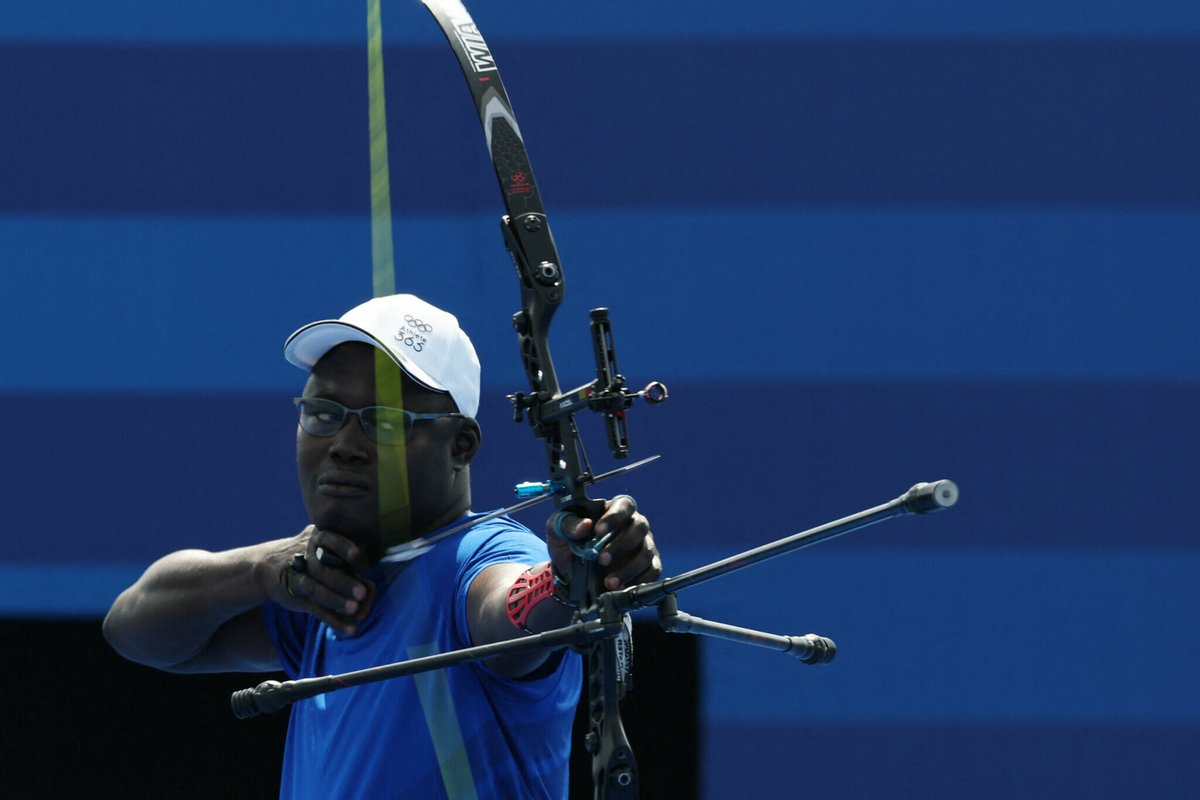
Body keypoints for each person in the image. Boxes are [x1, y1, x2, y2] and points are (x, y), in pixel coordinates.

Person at [103, 293, 662, 799]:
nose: (343, 445)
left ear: (460, 445)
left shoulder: (478, 557)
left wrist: (565, 579)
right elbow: (134, 631)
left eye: (385, 422)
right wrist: (261, 571)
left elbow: (512, 607)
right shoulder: (327, 588)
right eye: (323, 415)